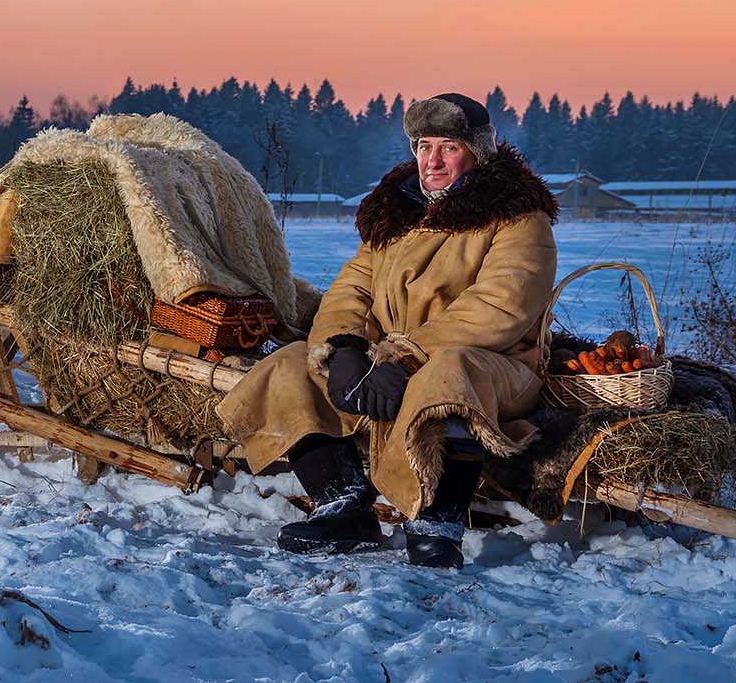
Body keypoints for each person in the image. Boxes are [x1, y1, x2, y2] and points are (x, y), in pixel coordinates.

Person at [217, 92, 558, 568]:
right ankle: (342, 506)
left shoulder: (519, 218)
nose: (432, 160)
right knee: (291, 364)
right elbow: (351, 289)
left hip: (489, 364)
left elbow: (501, 306)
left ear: (477, 151)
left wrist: (406, 354)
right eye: (423, 147)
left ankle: (436, 523)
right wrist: (346, 346)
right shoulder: (397, 214)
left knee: (450, 372)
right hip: (387, 358)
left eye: (448, 147)